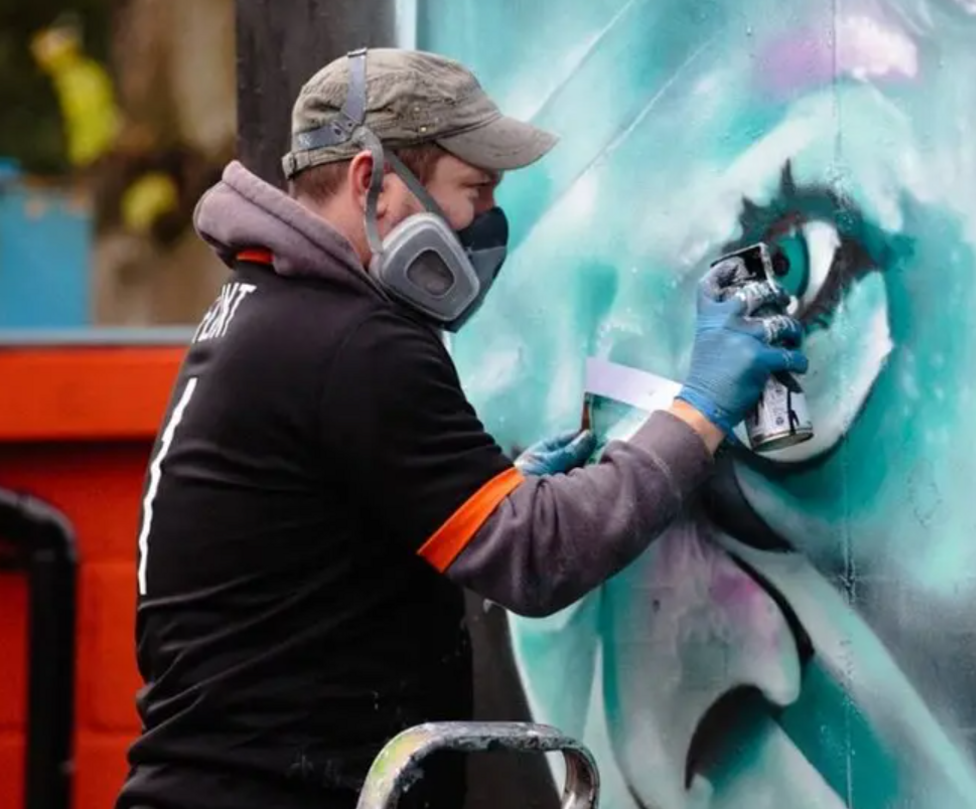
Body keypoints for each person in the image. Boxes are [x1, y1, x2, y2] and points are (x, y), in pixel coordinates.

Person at [113, 47, 808, 809]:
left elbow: (319, 560)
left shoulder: (266, 309)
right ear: (370, 183)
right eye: (473, 189)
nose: (486, 222)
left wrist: (501, 494)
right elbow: (541, 556)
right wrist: (701, 407)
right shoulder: (352, 342)